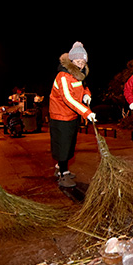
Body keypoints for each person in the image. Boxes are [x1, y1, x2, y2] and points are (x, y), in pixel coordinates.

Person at [49, 41, 96, 188]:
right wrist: (87, 113)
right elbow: (68, 99)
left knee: (69, 145)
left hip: (72, 115)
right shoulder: (63, 76)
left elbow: (84, 87)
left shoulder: (78, 75)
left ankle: (61, 168)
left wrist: (87, 95)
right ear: (71, 60)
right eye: (77, 61)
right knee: (63, 146)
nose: (80, 64)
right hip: (60, 116)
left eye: (83, 61)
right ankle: (63, 175)